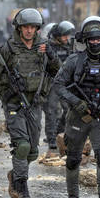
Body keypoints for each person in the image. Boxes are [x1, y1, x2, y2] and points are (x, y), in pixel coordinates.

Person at [0, 8, 60, 198]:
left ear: (37, 29)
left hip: (34, 104)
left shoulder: (43, 48)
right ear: (19, 28)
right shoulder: (7, 50)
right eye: (26, 27)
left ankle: (15, 174)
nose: (29, 31)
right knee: (22, 145)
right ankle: (21, 186)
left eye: (33, 27)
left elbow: (58, 71)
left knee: (32, 151)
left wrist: (51, 55)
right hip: (14, 104)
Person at [54, 16, 100, 198]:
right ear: (85, 40)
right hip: (77, 117)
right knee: (73, 158)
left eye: (99, 39)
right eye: (91, 39)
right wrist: (77, 103)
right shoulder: (74, 61)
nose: (95, 43)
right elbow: (58, 85)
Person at [42, 21, 75, 149]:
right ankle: (51, 138)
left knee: (68, 110)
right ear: (57, 36)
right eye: (64, 36)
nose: (67, 38)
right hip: (51, 83)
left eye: (68, 35)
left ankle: (59, 132)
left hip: (65, 83)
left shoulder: (69, 46)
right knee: (51, 111)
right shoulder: (48, 47)